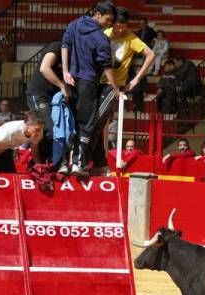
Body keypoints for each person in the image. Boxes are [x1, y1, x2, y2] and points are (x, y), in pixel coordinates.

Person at [87, 7, 154, 176]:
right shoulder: (106, 33)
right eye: (118, 25)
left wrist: (136, 79)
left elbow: (151, 55)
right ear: (113, 23)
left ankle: (93, 161)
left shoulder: (131, 38)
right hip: (96, 82)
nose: (121, 29)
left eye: (124, 25)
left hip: (114, 86)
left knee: (97, 122)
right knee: (95, 123)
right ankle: (97, 162)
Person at [61, 1, 119, 175]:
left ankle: (65, 163)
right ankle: (78, 163)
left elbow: (65, 45)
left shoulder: (74, 24)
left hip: (71, 81)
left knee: (71, 123)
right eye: (108, 20)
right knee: (87, 124)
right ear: (98, 14)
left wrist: (65, 71)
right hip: (88, 83)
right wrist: (115, 88)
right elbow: (107, 66)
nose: (109, 24)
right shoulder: (101, 38)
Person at [26, 41, 67, 165]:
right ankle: (38, 164)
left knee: (55, 131)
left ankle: (44, 163)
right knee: (48, 129)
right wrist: (62, 86)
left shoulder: (73, 56)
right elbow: (45, 68)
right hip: (39, 94)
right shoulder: (57, 46)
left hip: (53, 99)